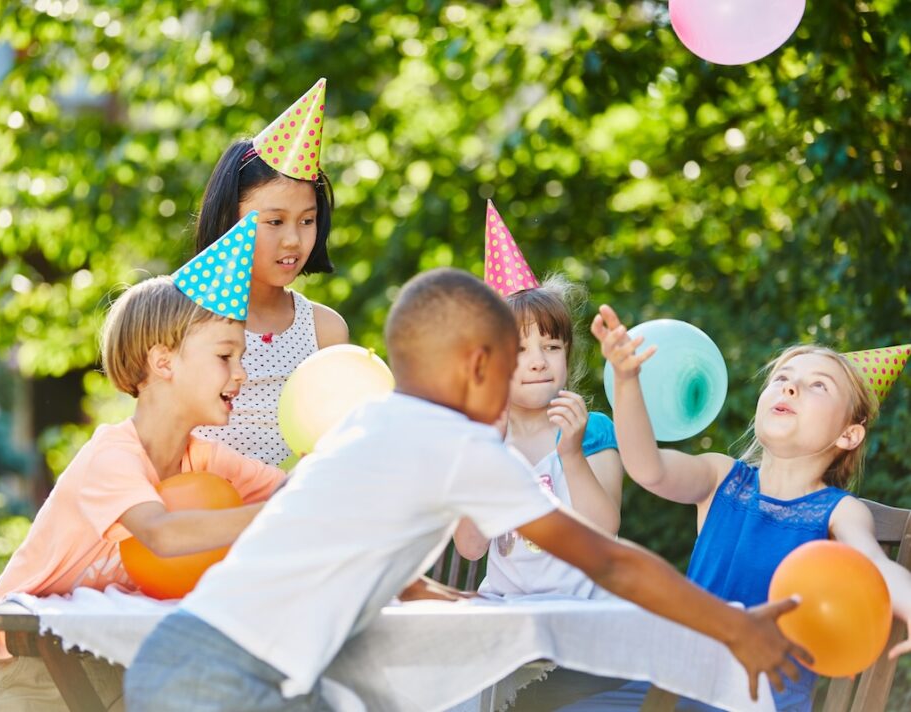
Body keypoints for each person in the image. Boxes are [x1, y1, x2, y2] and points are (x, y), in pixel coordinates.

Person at [124, 268, 803, 712]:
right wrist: (732, 626)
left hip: (188, 659)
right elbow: (607, 559)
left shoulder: (371, 423)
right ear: (480, 366)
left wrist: (442, 593)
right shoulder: (460, 446)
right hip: (227, 684)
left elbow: (355, 553)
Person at [0, 214, 286, 712]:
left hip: (106, 656)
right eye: (226, 356)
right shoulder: (112, 456)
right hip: (24, 666)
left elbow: (293, 492)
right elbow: (161, 534)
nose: (241, 373)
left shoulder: (204, 459)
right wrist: (271, 516)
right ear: (163, 363)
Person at [558, 305, 911, 711]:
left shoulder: (838, 511)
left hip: (757, 699)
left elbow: (876, 565)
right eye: (782, 379)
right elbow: (646, 467)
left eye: (819, 386)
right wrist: (626, 379)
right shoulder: (720, 477)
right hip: (674, 688)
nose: (790, 388)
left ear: (849, 434)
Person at [453, 203, 627, 710]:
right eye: (518, 349)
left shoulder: (591, 431)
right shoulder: (481, 440)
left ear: (567, 358)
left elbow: (605, 532)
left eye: (550, 346)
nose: (536, 360)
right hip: (504, 617)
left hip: (579, 621)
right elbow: (468, 546)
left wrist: (570, 455)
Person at [192, 78, 349, 467]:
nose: (294, 240)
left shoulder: (325, 331)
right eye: (274, 222)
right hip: (204, 515)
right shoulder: (185, 319)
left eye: (307, 220)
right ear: (231, 218)